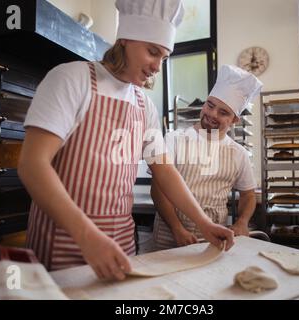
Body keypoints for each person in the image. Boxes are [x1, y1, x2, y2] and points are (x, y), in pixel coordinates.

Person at [18, 0, 234, 281]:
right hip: (64, 241)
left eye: (164, 58)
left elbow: (165, 170)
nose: (158, 66)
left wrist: (204, 224)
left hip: (120, 244)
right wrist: (87, 235)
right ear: (125, 40)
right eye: (152, 52)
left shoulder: (144, 104)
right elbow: (32, 164)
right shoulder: (72, 78)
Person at [151, 65, 263, 249]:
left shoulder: (238, 153)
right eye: (210, 105)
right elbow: (158, 189)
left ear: (235, 119)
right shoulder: (174, 140)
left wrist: (242, 222)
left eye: (223, 112)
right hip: (171, 237)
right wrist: (177, 228)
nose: (212, 114)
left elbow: (248, 194)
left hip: (214, 239)